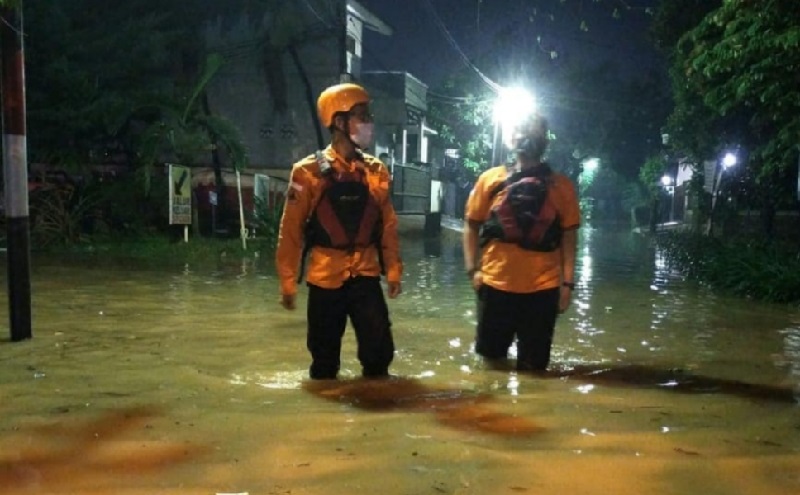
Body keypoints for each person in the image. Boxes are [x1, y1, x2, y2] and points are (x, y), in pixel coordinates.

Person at [275, 82, 403, 380]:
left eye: (368, 116)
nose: (369, 123)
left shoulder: (377, 171)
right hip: (324, 278)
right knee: (324, 364)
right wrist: (287, 280)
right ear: (340, 121)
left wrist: (394, 270)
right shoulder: (306, 172)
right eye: (362, 116)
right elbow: (290, 229)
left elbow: (387, 226)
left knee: (379, 357)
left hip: (366, 275)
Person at [462, 112, 580, 372]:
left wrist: (568, 284)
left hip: (543, 290)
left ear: (544, 140)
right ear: (509, 139)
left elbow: (569, 237)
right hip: (494, 286)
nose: (525, 136)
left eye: (532, 130)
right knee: (491, 367)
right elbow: (471, 225)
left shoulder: (562, 187)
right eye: (519, 129)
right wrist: (473, 271)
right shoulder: (489, 180)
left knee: (535, 370)